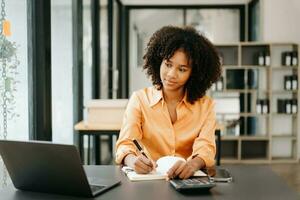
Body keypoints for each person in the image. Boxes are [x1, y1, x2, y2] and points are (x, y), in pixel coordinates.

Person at [115, 25, 221, 179]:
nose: (171, 74)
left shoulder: (206, 106)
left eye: (182, 69)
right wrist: (132, 160)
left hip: (187, 180)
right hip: (148, 181)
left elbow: (206, 148)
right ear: (159, 61)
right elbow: (125, 144)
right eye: (168, 64)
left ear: (194, 73)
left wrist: (192, 164)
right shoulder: (139, 99)